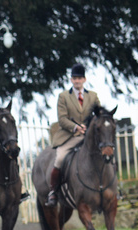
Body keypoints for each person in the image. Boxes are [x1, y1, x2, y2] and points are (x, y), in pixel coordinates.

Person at [46, 63, 100, 207]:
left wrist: (88, 128)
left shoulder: (93, 96)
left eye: (80, 78)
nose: (77, 81)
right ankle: (53, 191)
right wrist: (76, 127)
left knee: (106, 154)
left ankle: (112, 188)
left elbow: (99, 115)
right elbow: (62, 119)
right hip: (70, 136)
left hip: (89, 136)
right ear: (71, 80)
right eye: (74, 78)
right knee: (59, 158)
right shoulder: (63, 96)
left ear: (84, 79)